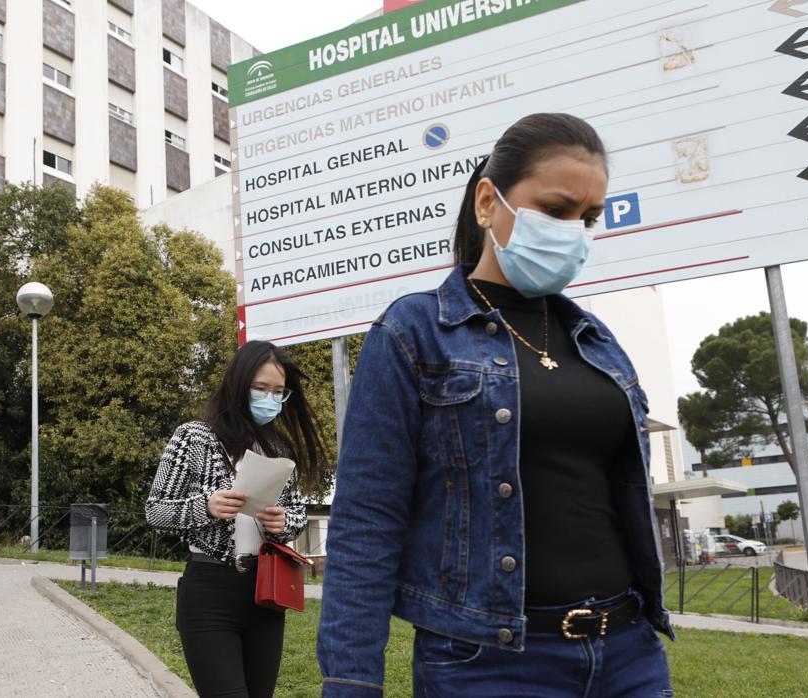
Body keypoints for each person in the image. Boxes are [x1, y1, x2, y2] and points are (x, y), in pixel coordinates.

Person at [317, 114, 674, 697]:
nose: (574, 232)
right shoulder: (414, 332)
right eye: (556, 210)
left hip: (628, 655)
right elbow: (366, 523)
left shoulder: (598, 341)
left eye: (588, 218)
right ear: (489, 201)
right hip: (489, 665)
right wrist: (351, 682)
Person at [146, 340, 326, 698]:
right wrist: (207, 506)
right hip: (210, 590)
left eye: (278, 391)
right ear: (238, 385)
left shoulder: (279, 448)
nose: (269, 398)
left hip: (266, 594)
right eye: (260, 388)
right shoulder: (194, 436)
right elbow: (156, 510)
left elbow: (297, 514)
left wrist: (283, 522)